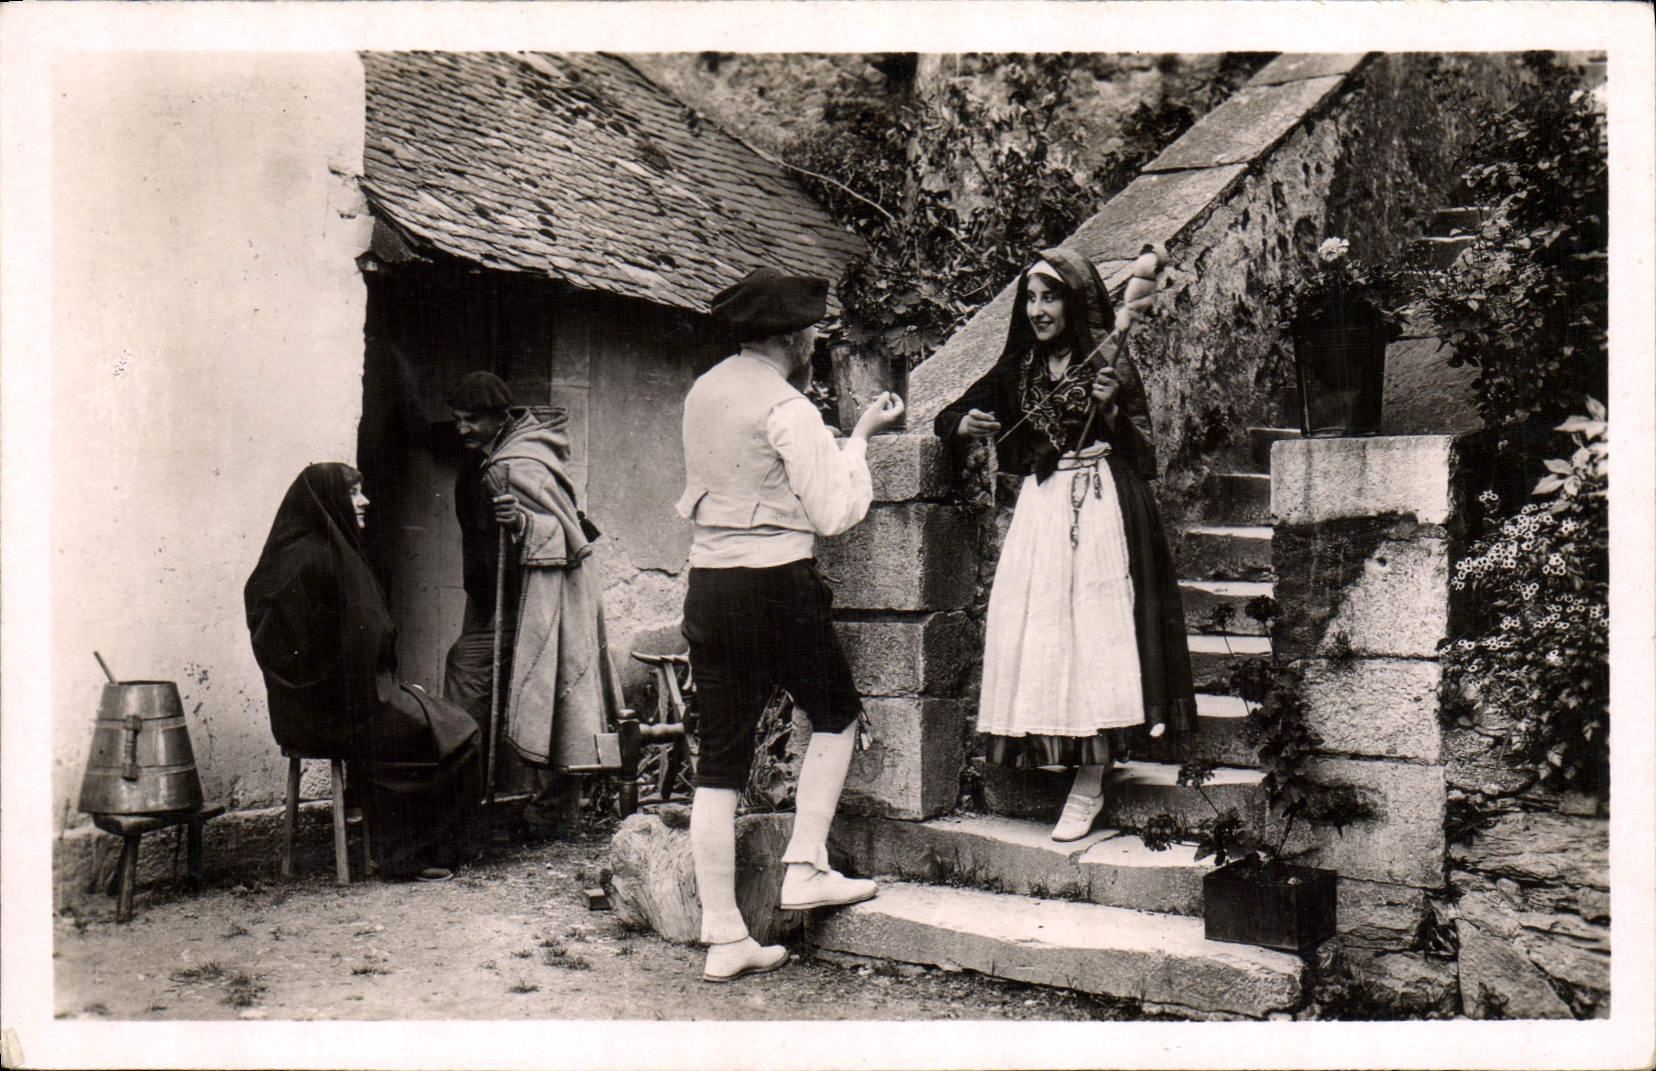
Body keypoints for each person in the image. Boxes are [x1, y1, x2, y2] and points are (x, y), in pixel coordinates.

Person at [678, 266, 905, 982]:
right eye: (811, 331)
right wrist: (862, 440)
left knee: (719, 763)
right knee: (836, 716)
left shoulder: (703, 391)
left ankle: (724, 935)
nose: (816, 341)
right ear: (787, 336)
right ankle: (804, 866)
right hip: (776, 585)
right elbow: (834, 512)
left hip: (709, 585)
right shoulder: (789, 406)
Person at [934, 247, 1196, 842]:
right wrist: (963, 424)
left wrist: (1109, 412)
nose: (1037, 309)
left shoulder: (1108, 359)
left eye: (1049, 296)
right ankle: (1067, 749)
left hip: (1104, 501)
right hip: (1043, 508)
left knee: (1096, 632)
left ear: (1075, 302)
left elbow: (1146, 449)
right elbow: (949, 412)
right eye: (1030, 297)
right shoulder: (1019, 367)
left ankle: (1091, 780)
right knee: (1043, 632)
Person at [245, 463, 483, 880]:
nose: (365, 501)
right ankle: (408, 856)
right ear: (327, 502)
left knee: (441, 724)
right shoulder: (314, 561)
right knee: (458, 732)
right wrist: (392, 689)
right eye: (354, 493)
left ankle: (414, 850)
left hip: (320, 707)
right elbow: (328, 653)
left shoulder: (301, 554)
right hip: (337, 711)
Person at [443, 371, 623, 836]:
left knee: (528, 684)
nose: (462, 429)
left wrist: (522, 522)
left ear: (500, 419)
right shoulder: (490, 456)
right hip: (489, 600)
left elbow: (568, 532)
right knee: (523, 687)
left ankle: (476, 809)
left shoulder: (518, 464)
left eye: (471, 420)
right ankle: (485, 806)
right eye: (457, 419)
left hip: (527, 603)